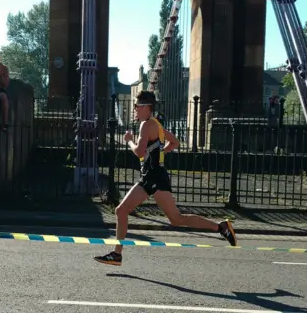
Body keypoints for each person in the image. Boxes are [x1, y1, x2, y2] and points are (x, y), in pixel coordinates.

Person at [94, 90, 237, 266]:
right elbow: (175, 142)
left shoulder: (146, 125)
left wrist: (129, 140)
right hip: (154, 175)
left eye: (137, 106)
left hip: (152, 177)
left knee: (127, 212)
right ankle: (220, 227)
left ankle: (117, 254)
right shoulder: (156, 124)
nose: (135, 110)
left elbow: (139, 152)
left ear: (147, 107)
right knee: (171, 218)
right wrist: (159, 152)